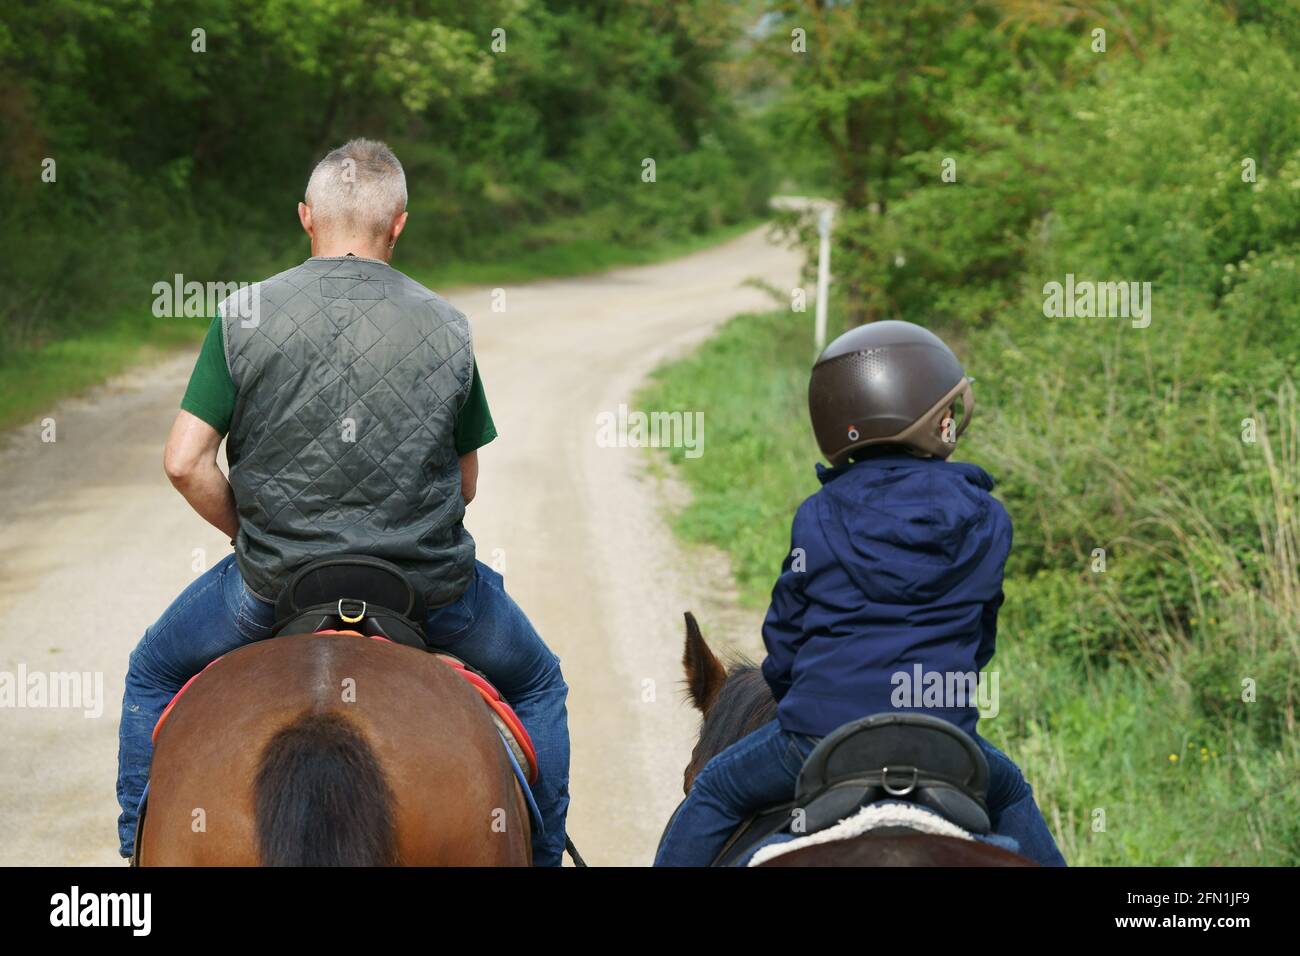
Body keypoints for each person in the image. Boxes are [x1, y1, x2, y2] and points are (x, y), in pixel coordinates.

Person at [116, 139, 570, 866]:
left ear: (306, 218)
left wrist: (255, 535)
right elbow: (465, 484)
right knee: (538, 681)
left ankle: (132, 856)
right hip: (427, 589)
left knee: (153, 671)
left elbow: (183, 461)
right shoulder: (448, 326)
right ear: (399, 225)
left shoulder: (242, 315)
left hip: (272, 587)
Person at [655, 320, 1066, 867]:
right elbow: (979, 636)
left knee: (711, 796)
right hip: (941, 739)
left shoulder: (819, 513)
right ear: (929, 422)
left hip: (814, 741)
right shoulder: (987, 517)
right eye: (947, 411)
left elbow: (785, 637)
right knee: (1013, 792)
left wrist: (795, 689)